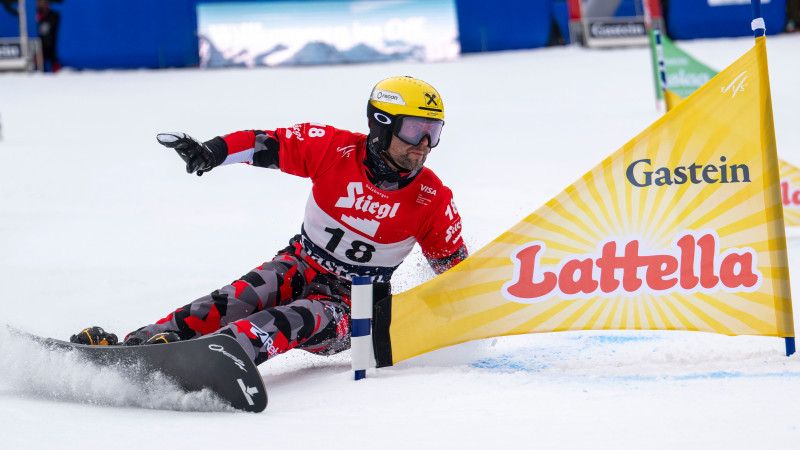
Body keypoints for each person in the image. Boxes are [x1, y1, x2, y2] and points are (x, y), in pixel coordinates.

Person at [71, 76, 468, 366]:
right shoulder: (334, 149)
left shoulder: (433, 198)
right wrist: (212, 152)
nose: (423, 145)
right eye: (415, 129)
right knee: (232, 301)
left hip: (351, 307)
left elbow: (457, 276)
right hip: (299, 264)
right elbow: (264, 142)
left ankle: (208, 361)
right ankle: (133, 349)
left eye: (433, 132)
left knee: (286, 319)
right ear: (381, 124)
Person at [35, 0, 60, 72]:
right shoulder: (33, 16)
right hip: (38, 48)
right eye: (38, 1)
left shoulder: (53, 16)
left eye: (42, 1)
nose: (39, 3)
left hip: (51, 48)